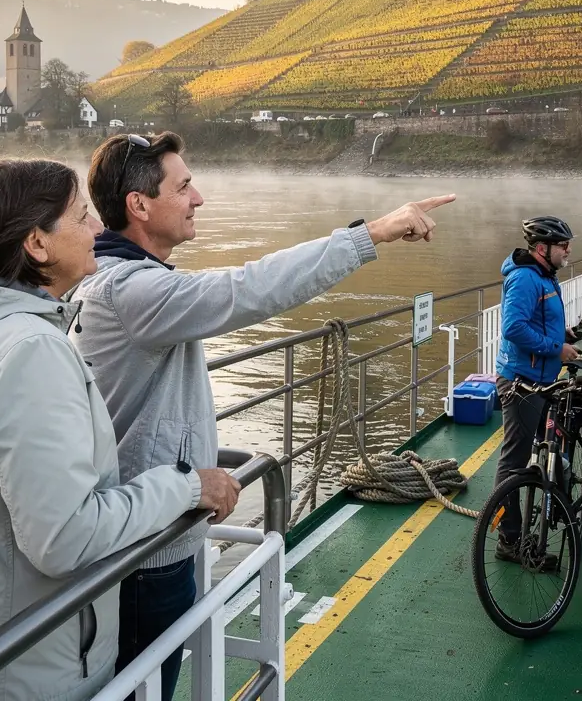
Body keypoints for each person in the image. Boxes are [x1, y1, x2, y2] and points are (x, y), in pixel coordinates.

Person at [72, 132, 454, 697]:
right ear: (139, 204)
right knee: (142, 686)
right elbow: (250, 288)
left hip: (153, 533)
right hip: (145, 553)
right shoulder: (130, 291)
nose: (198, 197)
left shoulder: (115, 282)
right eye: (183, 186)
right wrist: (371, 234)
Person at [0, 159, 203, 701]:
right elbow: (66, 538)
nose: (98, 232)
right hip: (20, 660)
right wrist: (188, 486)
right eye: (82, 217)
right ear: (38, 243)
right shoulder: (28, 349)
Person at [492, 215, 581, 561]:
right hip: (521, 382)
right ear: (542, 248)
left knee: (540, 447)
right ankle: (508, 538)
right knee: (513, 460)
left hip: (541, 380)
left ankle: (539, 509)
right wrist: (555, 348)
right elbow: (514, 328)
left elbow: (537, 322)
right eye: (563, 245)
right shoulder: (527, 279)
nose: (568, 250)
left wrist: (563, 335)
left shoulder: (545, 275)